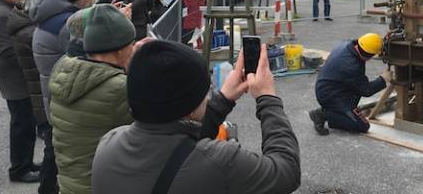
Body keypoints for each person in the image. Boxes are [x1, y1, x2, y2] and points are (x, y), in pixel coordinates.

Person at [92, 40, 301, 194]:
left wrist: (224, 99)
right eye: (206, 90)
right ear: (190, 107)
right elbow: (286, 172)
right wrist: (268, 98)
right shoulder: (219, 162)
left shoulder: (108, 146)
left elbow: (181, 146)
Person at [49, 4, 137, 194]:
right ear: (120, 50)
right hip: (101, 185)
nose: (133, 49)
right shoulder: (118, 88)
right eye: (131, 44)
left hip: (70, 180)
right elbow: (148, 131)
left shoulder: (63, 70)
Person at [0, 0, 38, 183]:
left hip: (19, 78)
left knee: (27, 123)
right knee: (21, 125)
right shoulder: (1, 14)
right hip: (15, 80)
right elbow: (6, 51)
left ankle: (26, 162)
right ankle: (19, 169)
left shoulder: (9, 9)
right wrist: (30, 61)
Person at [8, 0, 58, 193]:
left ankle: (27, 167)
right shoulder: (30, 32)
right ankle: (36, 179)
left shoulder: (29, 27)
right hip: (36, 90)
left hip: (35, 89)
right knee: (47, 141)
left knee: (37, 134)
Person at [32, 0, 95, 114]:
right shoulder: (67, 24)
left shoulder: (55, 14)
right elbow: (90, 60)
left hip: (57, 93)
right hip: (65, 101)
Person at [310, 33, 391, 135]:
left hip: (333, 86)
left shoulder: (348, 44)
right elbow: (366, 90)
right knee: (362, 126)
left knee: (356, 90)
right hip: (330, 95)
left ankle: (342, 111)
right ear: (369, 55)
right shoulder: (351, 66)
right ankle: (322, 114)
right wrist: (383, 79)